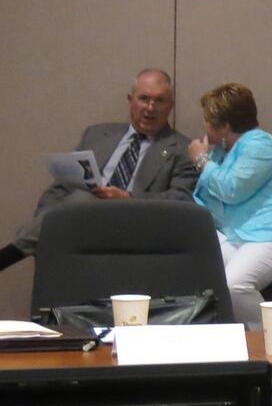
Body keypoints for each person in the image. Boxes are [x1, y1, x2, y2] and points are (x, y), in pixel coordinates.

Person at [0, 69, 197, 272]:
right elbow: (60, 187)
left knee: (82, 199)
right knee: (74, 203)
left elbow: (182, 198)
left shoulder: (182, 148)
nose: (150, 107)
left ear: (170, 106)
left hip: (133, 222)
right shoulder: (96, 135)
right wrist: (47, 218)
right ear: (130, 100)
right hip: (77, 220)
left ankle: (9, 254)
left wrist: (128, 198)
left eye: (159, 101)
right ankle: (41, 235)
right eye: (144, 98)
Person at [188, 83, 272, 327]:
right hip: (242, 234)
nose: (204, 127)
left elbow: (231, 189)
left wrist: (201, 160)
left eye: (208, 121)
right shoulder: (222, 152)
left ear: (225, 126)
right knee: (198, 257)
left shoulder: (260, 145)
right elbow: (206, 200)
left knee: (233, 285)